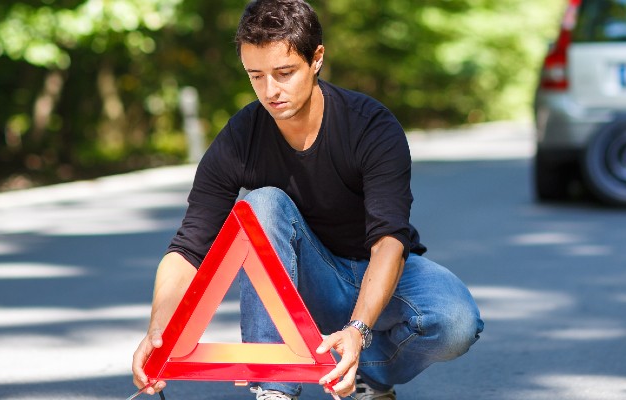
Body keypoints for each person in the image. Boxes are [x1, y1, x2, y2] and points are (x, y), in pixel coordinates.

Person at [131, 1, 483, 399]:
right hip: (305, 285)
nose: (270, 91)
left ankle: (362, 370)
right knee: (261, 204)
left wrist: (358, 331)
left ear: (316, 58)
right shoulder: (241, 137)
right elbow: (189, 247)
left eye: (284, 73)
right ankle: (275, 386)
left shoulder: (370, 125)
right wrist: (158, 331)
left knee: (455, 322)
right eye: (255, 76)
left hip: (380, 273)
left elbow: (390, 239)